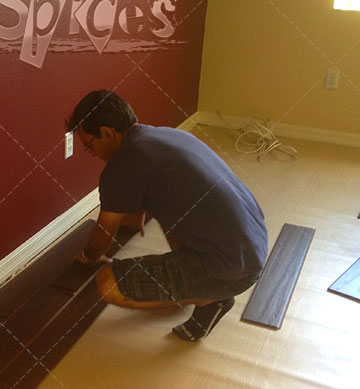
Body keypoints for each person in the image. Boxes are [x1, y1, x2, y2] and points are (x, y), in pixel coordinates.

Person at [67, 90, 268, 341]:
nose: (90, 152)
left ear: (108, 133)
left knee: (108, 283)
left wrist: (87, 257)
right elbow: (155, 189)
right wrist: (138, 209)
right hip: (253, 247)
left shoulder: (121, 166)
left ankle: (211, 299)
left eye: (89, 144)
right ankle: (196, 286)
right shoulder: (167, 135)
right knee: (171, 212)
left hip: (231, 268)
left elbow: (102, 238)